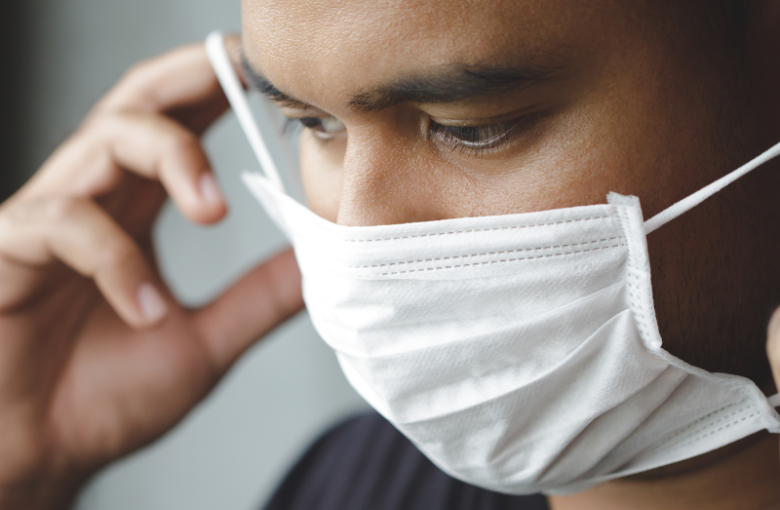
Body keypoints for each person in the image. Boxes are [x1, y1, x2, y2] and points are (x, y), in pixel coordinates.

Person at [1, 0, 780, 509]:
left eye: (470, 126)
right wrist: (27, 468)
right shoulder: (350, 488)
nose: (360, 231)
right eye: (312, 125)